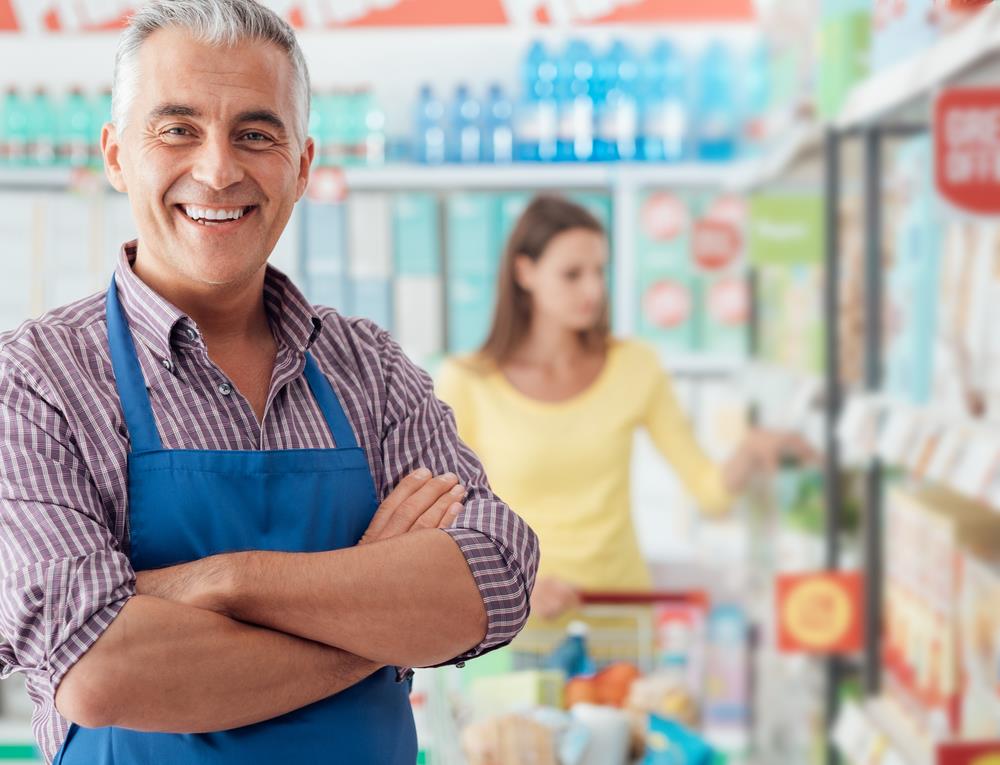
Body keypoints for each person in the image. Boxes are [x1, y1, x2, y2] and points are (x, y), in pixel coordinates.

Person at [0, 2, 538, 763]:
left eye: (255, 133)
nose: (218, 169)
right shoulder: (35, 381)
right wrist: (374, 627)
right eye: (177, 129)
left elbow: (497, 577)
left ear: (303, 166)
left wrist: (225, 582)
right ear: (117, 155)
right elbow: (99, 667)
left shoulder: (369, 370)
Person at [436, 194, 810, 620]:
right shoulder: (468, 381)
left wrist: (752, 450)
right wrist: (512, 582)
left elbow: (709, 491)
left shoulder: (635, 366)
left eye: (599, 271)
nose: (593, 289)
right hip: (513, 620)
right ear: (525, 272)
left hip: (618, 616)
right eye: (572, 274)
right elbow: (445, 518)